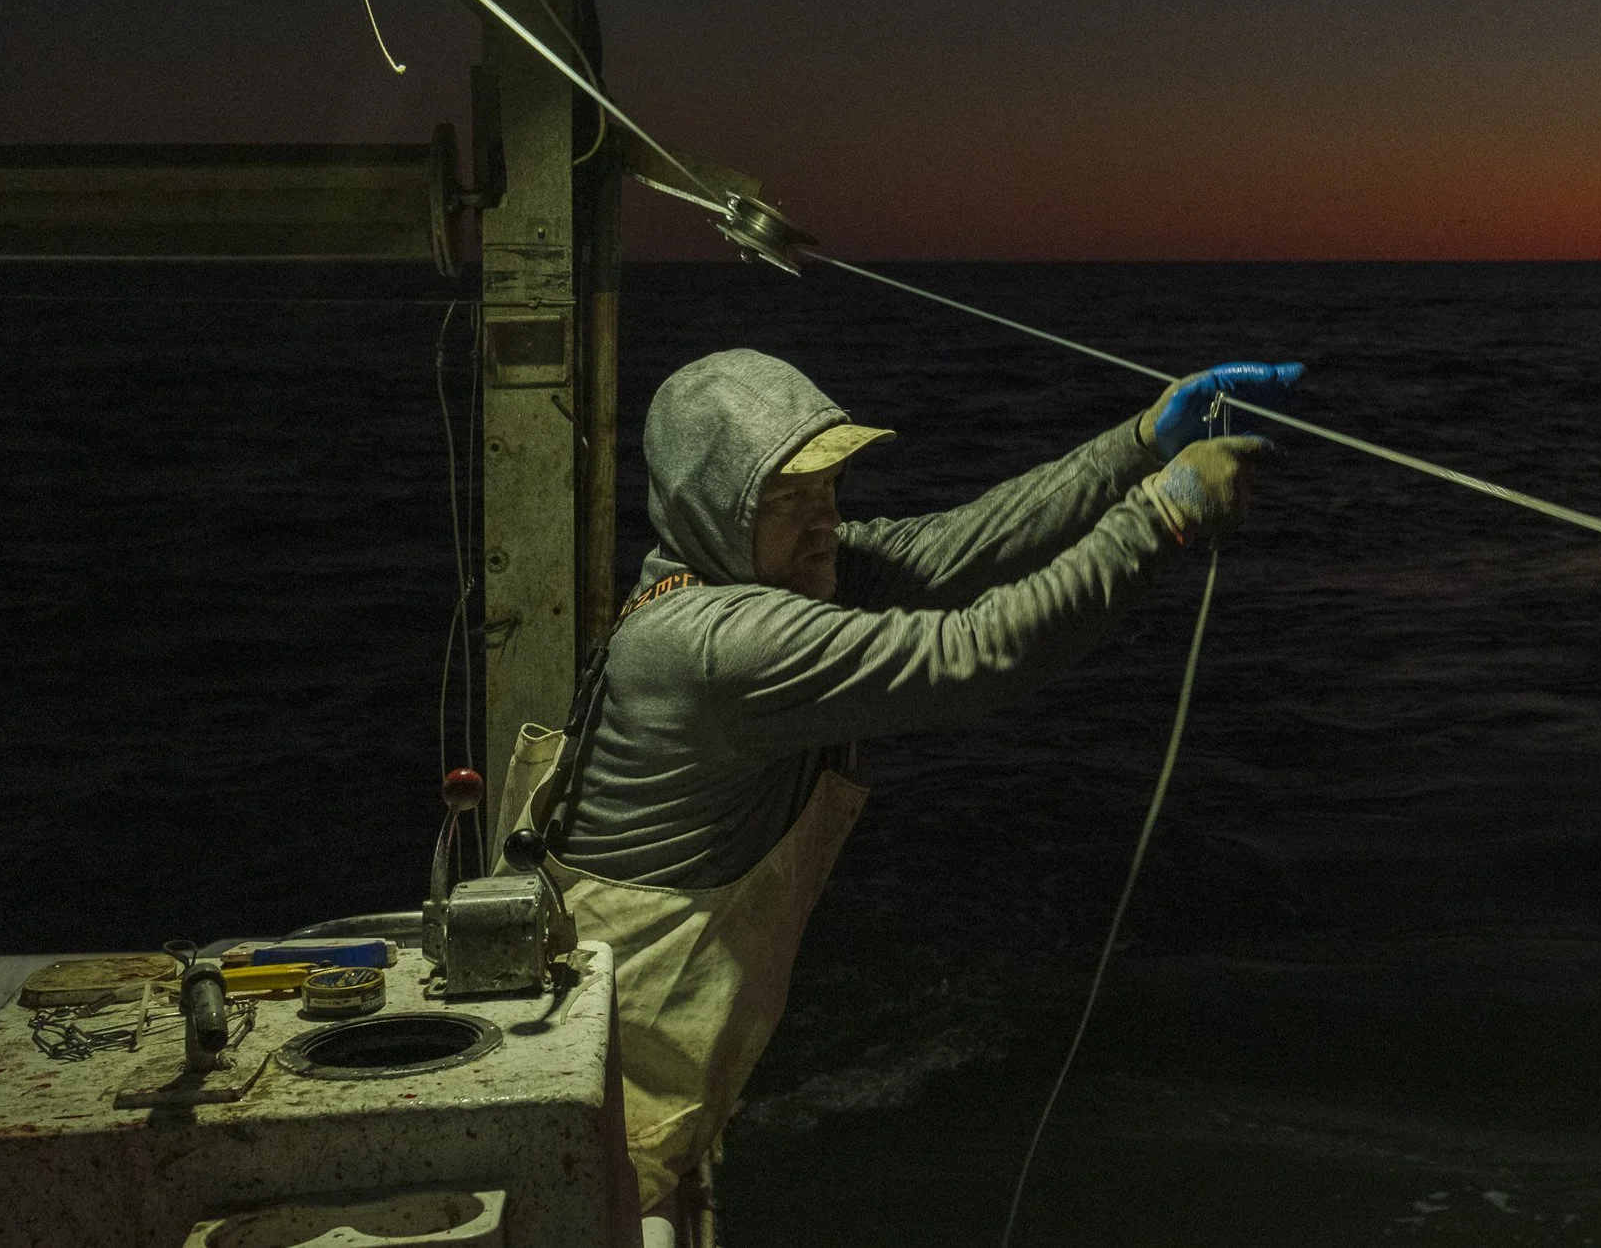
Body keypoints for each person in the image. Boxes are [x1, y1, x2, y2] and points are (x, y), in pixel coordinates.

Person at [542, 347, 1299, 1239]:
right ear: (713, 506)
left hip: (661, 1082)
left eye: (831, 488)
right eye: (787, 498)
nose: (824, 522)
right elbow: (973, 652)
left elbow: (966, 544)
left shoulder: (744, 569)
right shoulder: (714, 644)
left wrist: (1134, 444)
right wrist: (1159, 516)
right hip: (603, 1103)